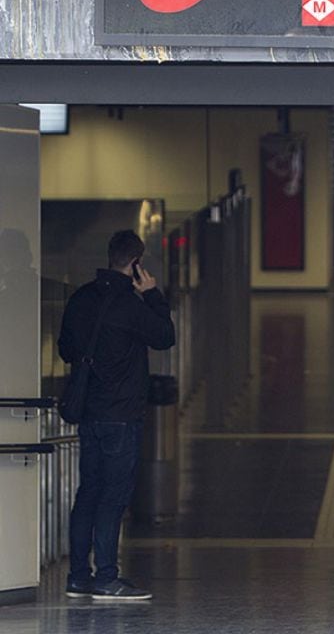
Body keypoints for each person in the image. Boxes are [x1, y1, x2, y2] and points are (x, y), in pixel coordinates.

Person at [58, 230, 176, 601]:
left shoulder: (81, 299)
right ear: (136, 263)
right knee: (113, 496)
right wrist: (152, 294)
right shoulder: (131, 305)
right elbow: (165, 336)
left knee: (88, 492)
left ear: (110, 256)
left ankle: (79, 576)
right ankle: (107, 576)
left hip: (88, 411)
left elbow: (65, 349)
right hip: (121, 414)